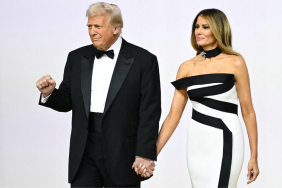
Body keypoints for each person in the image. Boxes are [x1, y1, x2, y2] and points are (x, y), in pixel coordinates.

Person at [36, 2, 161, 187]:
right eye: (89, 26)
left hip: (122, 152)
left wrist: (145, 153)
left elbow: (150, 111)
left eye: (98, 26)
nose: (92, 32)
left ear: (116, 28)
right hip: (84, 150)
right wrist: (49, 94)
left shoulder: (144, 60)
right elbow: (67, 101)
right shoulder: (76, 57)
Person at [155, 9, 259, 188]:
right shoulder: (186, 67)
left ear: (218, 29)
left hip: (227, 138)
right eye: (196, 27)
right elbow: (173, 116)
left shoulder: (236, 62)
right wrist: (152, 153)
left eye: (205, 27)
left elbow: (248, 111)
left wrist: (254, 156)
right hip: (197, 142)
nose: (198, 32)